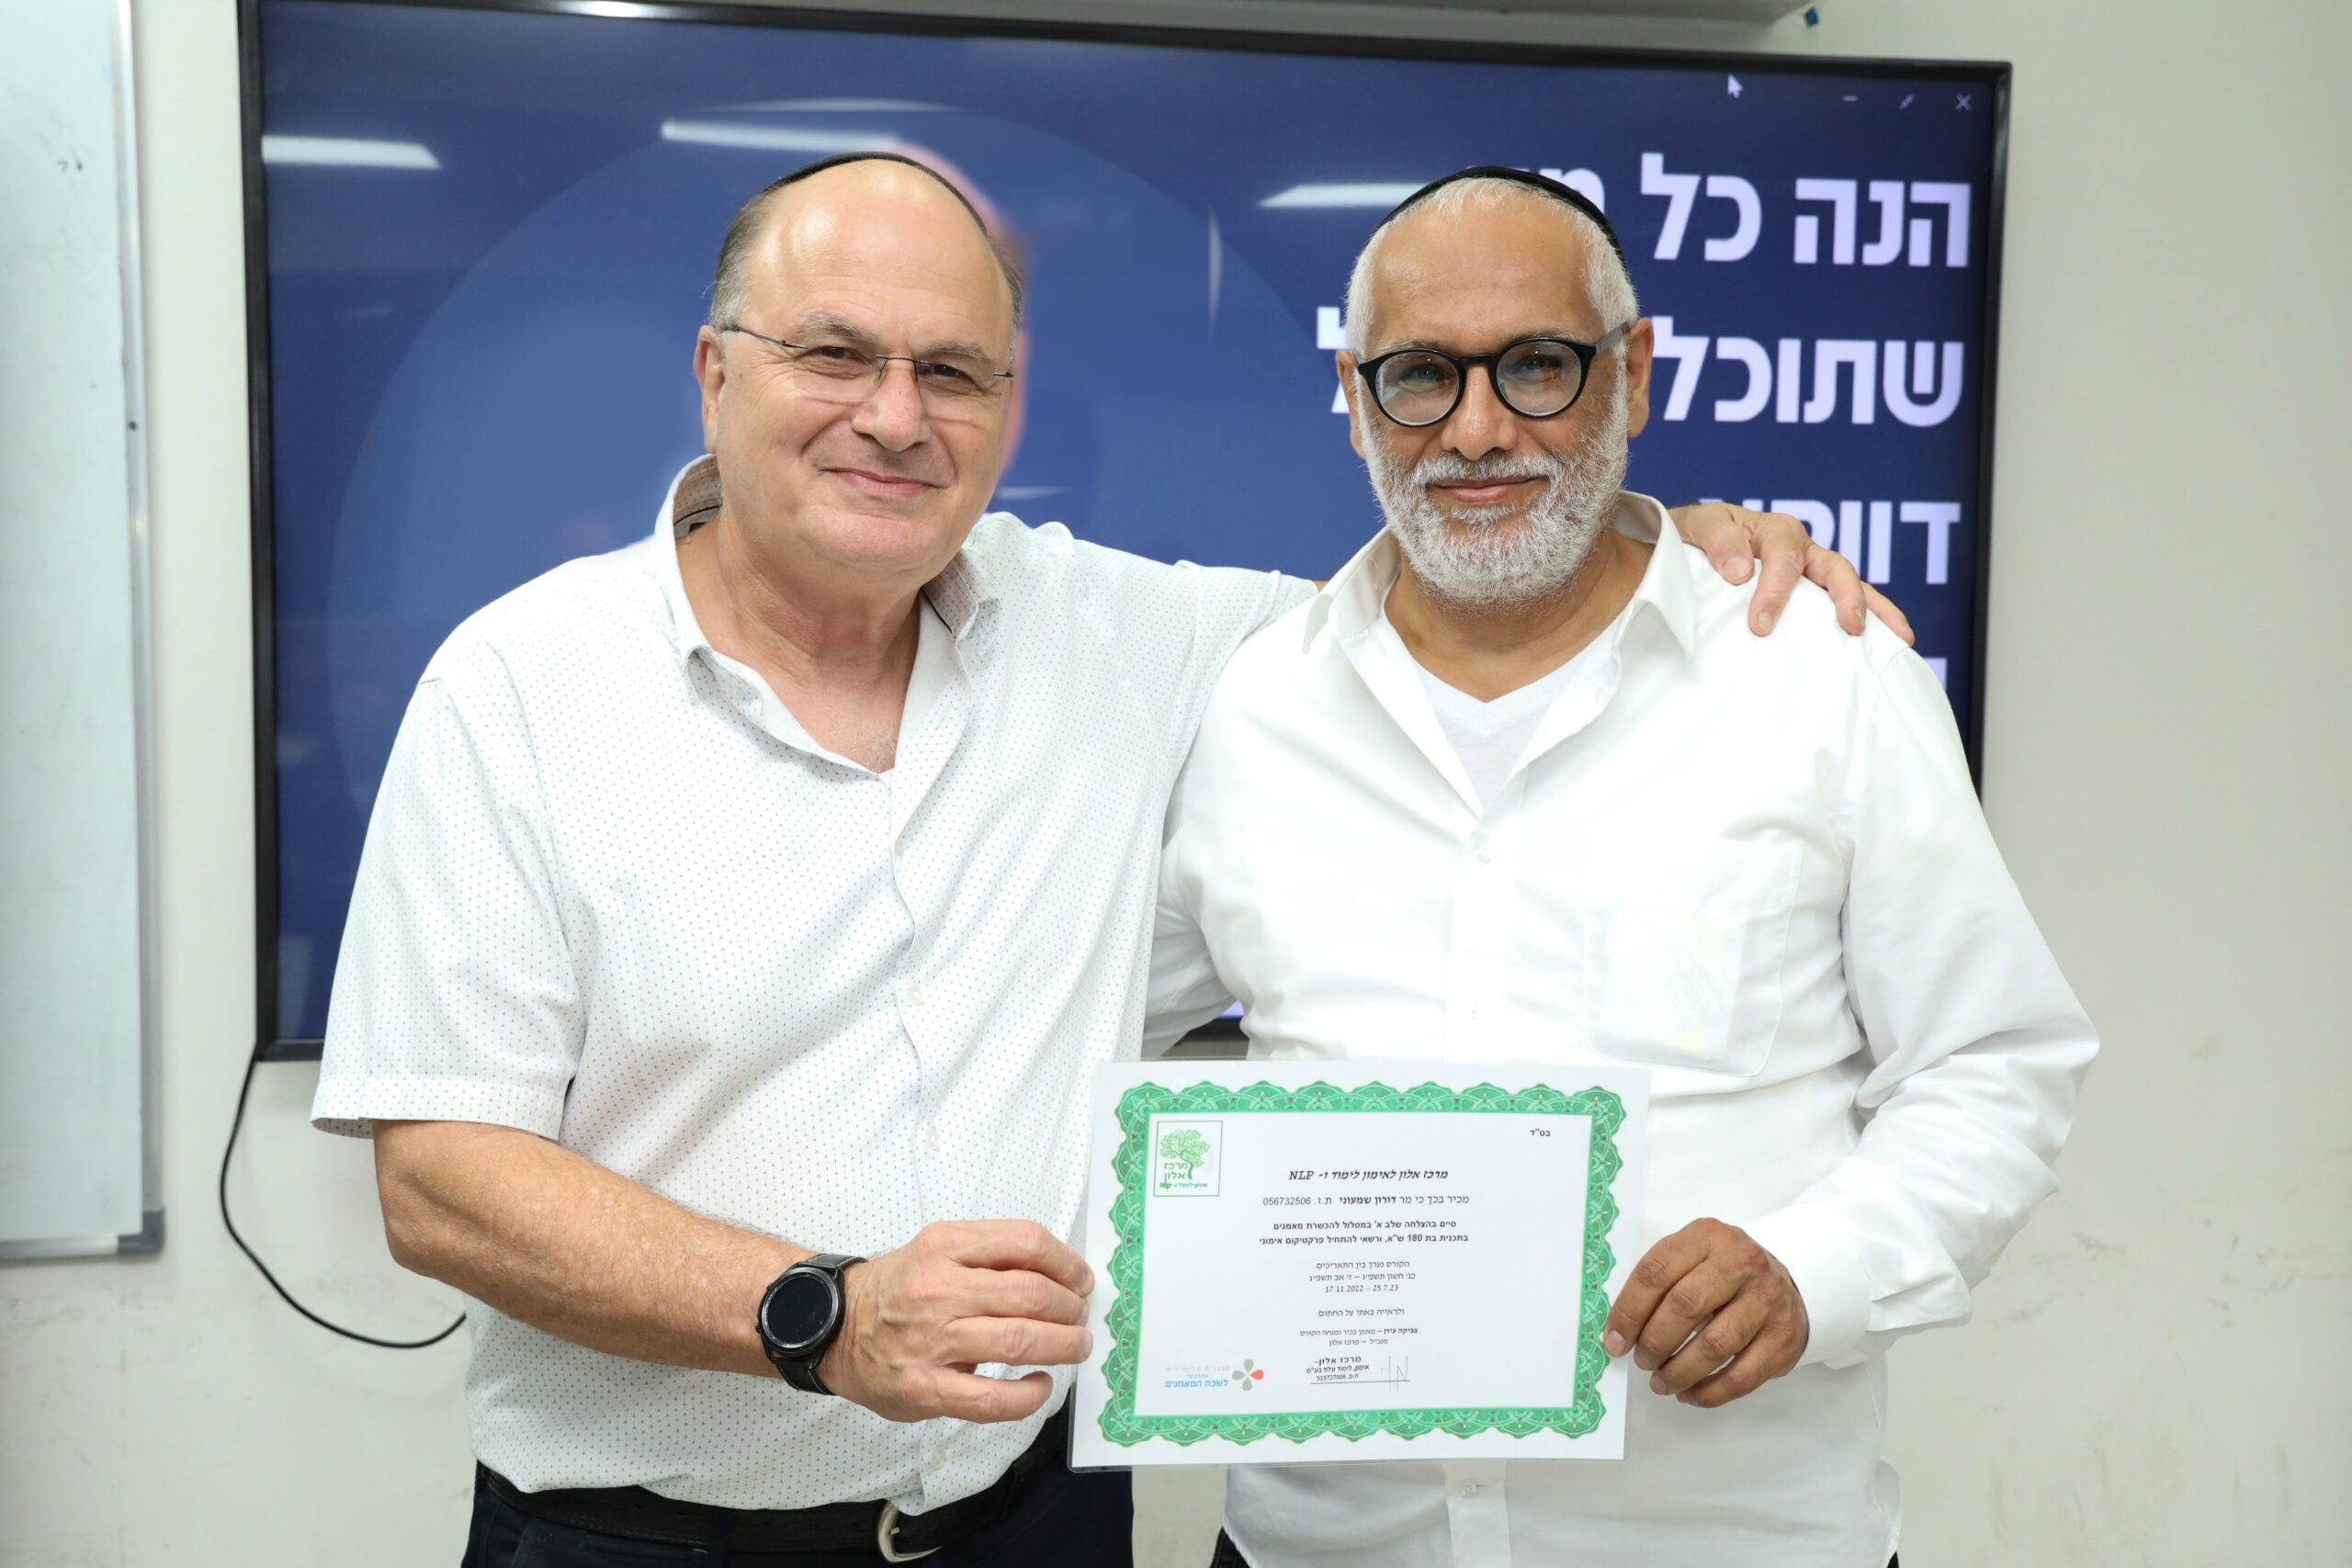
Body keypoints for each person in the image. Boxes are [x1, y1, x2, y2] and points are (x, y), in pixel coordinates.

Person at [311, 152, 1902, 1567]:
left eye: (954, 371)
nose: (895, 416)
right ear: (716, 373)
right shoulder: (521, 690)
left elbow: (1460, 584)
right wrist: (820, 1314)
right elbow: (443, 1180)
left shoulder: (1127, 639)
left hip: (1037, 1526)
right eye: (835, 354)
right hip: (645, 1542)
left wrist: (1661, 540)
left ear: (1009, 407)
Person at [1148, 168, 2098, 1568]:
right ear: (1354, 399)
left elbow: (1993, 1062)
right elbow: (1081, 1024)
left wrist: (1815, 1273)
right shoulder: (1248, 711)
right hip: (1326, 1543)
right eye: (1420, 376)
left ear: (1634, 375)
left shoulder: (1821, 680)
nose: (1477, 431)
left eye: (1538, 366)